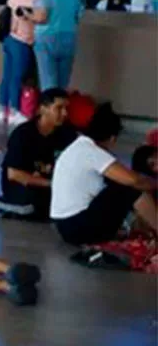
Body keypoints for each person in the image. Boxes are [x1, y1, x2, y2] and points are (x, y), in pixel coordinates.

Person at [0, 88, 76, 220]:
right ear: (42, 109)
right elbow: (14, 175)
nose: (64, 113)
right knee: (28, 209)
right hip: (21, 185)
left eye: (66, 109)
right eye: (59, 108)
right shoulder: (23, 134)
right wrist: (51, 183)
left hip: (48, 184)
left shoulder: (67, 134)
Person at [51, 104, 158, 245]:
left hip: (67, 226)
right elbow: (133, 180)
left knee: (124, 186)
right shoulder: (92, 151)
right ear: (112, 138)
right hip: (77, 227)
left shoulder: (79, 147)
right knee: (131, 187)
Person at [31, 0, 83, 92]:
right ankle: (60, 106)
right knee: (63, 82)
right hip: (68, 38)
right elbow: (78, 17)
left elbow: (41, 18)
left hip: (46, 38)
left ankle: (50, 108)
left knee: (48, 80)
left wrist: (27, 15)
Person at [0, 0, 40, 126]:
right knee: (18, 76)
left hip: (9, 38)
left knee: (7, 75)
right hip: (23, 41)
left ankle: (4, 109)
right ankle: (15, 110)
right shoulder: (35, 0)